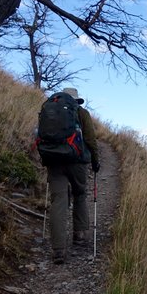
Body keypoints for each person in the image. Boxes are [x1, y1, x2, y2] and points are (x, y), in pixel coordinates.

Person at [46, 87, 100, 264]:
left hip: (53, 160)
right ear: (76, 100)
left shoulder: (49, 110)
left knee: (58, 200)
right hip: (76, 160)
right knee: (80, 194)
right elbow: (90, 139)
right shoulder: (82, 112)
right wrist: (95, 161)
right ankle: (79, 234)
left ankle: (58, 249)